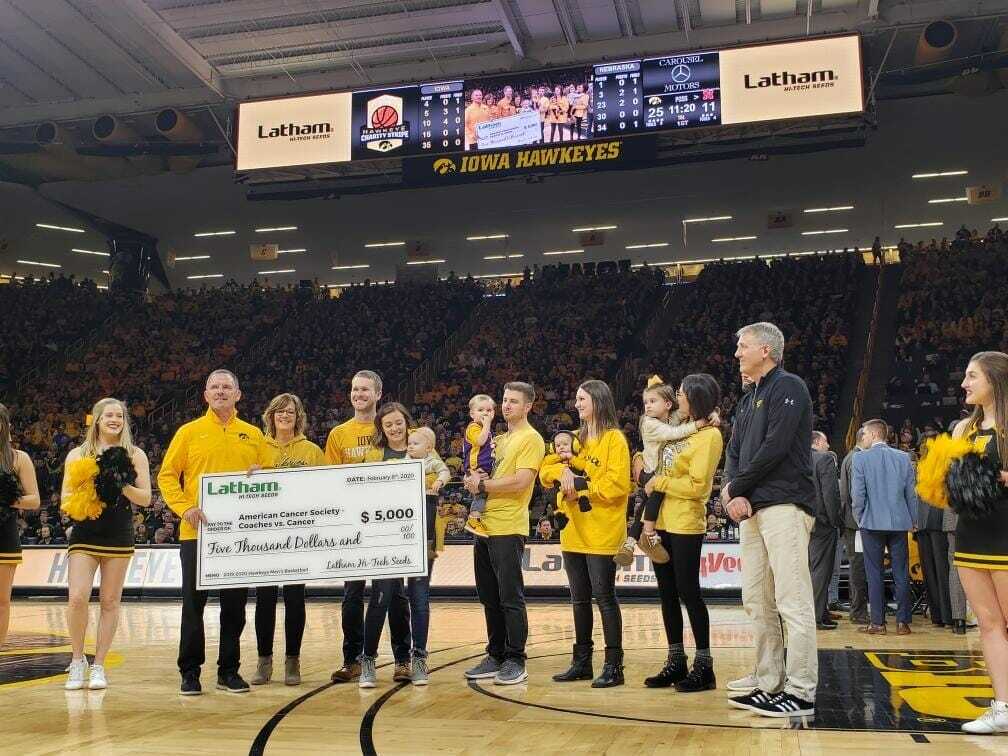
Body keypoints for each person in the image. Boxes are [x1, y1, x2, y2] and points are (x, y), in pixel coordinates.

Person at [723, 322, 818, 718]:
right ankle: (769, 681)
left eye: (742, 346)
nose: (737, 353)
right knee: (757, 600)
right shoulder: (748, 399)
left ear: (765, 349)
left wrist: (736, 487)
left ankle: (801, 690)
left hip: (785, 504)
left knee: (791, 600)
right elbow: (733, 452)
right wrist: (732, 490)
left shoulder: (789, 386)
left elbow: (775, 447)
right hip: (753, 508)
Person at [158, 369, 272, 695]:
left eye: (226, 387)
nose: (220, 391)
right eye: (214, 387)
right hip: (196, 533)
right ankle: (189, 672)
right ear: (206, 395)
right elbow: (167, 475)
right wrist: (185, 508)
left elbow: (272, 477)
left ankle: (229, 671)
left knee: (234, 606)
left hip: (238, 536)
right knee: (193, 605)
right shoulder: (189, 432)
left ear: (238, 394)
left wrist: (263, 473)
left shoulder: (253, 434)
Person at [540, 380, 631, 688]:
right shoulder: (574, 438)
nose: (576, 404)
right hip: (573, 530)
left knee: (604, 597)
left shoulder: (614, 438)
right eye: (576, 399)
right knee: (579, 599)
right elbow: (545, 469)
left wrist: (580, 485)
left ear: (598, 401)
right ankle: (581, 663)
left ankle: (614, 665)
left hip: (603, 530)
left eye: (582, 399)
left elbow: (617, 485)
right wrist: (562, 472)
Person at [636, 374, 723, 693]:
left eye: (683, 394)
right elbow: (652, 454)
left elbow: (698, 487)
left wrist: (657, 482)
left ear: (695, 398)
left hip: (686, 521)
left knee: (689, 592)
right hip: (660, 521)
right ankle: (676, 660)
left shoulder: (710, 436)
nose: (678, 397)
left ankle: (704, 666)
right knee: (667, 593)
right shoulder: (677, 425)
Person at [324, 371, 411, 684]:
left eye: (364, 389)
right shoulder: (338, 434)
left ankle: (403, 660)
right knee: (352, 594)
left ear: (378, 393)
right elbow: (330, 480)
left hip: (389, 524)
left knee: (395, 594)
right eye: (354, 389)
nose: (358, 394)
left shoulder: (388, 428)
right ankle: (352, 661)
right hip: (352, 526)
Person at [62, 398, 151, 691]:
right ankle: (77, 660)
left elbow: (145, 499)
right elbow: (65, 499)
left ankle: (99, 665)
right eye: (109, 415)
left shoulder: (135, 454)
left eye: (120, 416)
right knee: (77, 598)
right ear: (97, 420)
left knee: (110, 601)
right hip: (85, 533)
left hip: (118, 533)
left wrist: (120, 483)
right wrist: (88, 492)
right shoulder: (78, 454)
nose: (115, 420)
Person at [463, 382, 545, 685]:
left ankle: (515, 658)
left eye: (514, 401)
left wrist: (482, 485)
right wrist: (471, 476)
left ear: (528, 406)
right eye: (505, 400)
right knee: (489, 595)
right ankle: (495, 654)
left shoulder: (531, 438)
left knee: (510, 595)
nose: (507, 405)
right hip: (483, 526)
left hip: (508, 526)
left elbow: (522, 481)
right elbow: (476, 465)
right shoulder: (497, 439)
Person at [950, 351, 1008, 734]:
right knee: (988, 624)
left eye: (972, 376)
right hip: (971, 534)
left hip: (1005, 533)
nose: (964, 384)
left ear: (995, 380)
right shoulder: (962, 430)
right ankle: (1003, 707)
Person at [252, 393, 325, 687]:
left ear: (298, 417)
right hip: (265, 536)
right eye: (279, 411)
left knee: (295, 598)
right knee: (264, 599)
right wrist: (249, 476)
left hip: (299, 536)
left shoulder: (311, 451)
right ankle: (264, 659)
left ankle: (293, 659)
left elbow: (325, 490)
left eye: (290, 412)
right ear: (271, 416)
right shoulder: (257, 448)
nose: (284, 416)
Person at [620, 376, 715, 566]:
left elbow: (682, 414)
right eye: (645, 402)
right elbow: (674, 433)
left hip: (658, 472)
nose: (647, 406)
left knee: (646, 503)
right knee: (655, 495)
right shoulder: (649, 423)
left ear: (667, 404)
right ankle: (648, 535)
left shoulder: (670, 418)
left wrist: (712, 413)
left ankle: (629, 543)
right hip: (653, 472)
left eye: (652, 401)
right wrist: (697, 424)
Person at [851, 418, 916, 635]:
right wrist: (913, 520)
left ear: (874, 434)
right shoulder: (903, 458)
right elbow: (911, 494)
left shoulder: (860, 458)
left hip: (871, 522)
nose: (864, 437)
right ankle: (903, 623)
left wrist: (859, 518)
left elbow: (857, 495)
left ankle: (878, 623)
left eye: (865, 434)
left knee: (874, 573)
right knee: (901, 572)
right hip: (899, 522)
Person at [403, 426, 450, 685]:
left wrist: (438, 483)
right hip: (398, 533)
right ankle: (399, 657)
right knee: (393, 598)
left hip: (426, 532)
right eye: (409, 443)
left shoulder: (432, 460)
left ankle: (419, 655)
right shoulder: (403, 459)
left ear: (429, 447)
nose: (410, 446)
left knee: (419, 596)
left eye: (415, 443)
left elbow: (444, 472)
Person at [0, 403, 40, 649]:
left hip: (4, 537)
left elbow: (34, 500)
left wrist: (6, 499)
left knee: (2, 602)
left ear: (5, 425)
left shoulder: (18, 458)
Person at [809, 431, 841, 630]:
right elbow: (830, 495)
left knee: (809, 571)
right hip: (823, 524)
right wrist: (835, 521)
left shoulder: (798, 459)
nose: (828, 446)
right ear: (818, 442)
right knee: (822, 571)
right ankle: (817, 616)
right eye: (826, 441)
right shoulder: (825, 459)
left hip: (802, 522)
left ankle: (821, 612)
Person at [839, 428, 870, 624]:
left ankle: (858, 609)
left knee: (858, 566)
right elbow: (854, 495)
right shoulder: (856, 458)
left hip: (852, 521)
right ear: (863, 438)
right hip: (857, 523)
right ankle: (858, 611)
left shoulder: (851, 457)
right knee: (858, 567)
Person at [915, 491, 952, 629]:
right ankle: (944, 616)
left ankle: (942, 616)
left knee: (935, 570)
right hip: (934, 517)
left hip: (926, 517)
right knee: (938, 570)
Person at [463, 394, 495, 537]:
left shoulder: (486, 430)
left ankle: (480, 520)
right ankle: (473, 519)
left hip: (485, 470)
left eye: (489, 410)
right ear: (472, 414)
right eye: (481, 410)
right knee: (480, 494)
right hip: (475, 469)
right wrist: (487, 424)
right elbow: (480, 441)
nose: (485, 413)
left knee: (485, 494)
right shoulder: (473, 427)